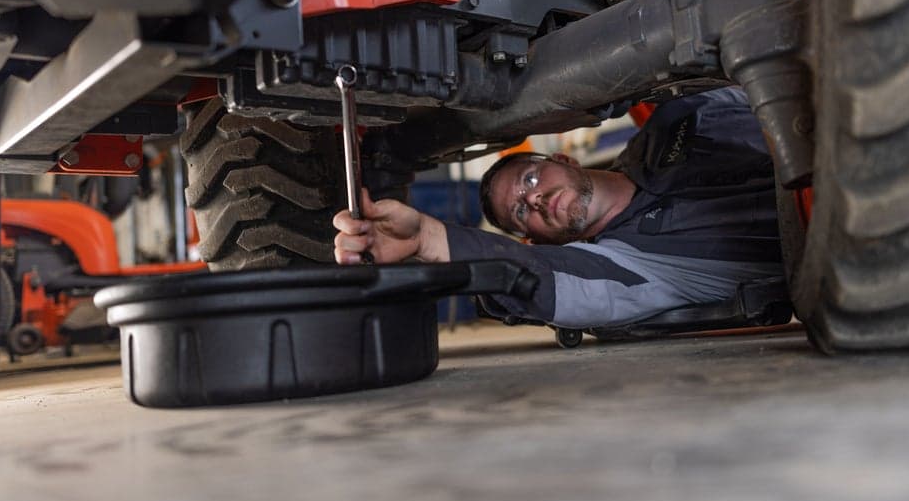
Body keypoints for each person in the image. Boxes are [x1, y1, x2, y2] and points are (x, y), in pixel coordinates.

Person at [333, 87, 784, 330]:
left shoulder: (678, 117)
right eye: (521, 213)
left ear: (563, 160)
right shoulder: (635, 264)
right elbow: (544, 281)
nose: (532, 199)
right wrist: (428, 238)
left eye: (531, 179)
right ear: (539, 240)